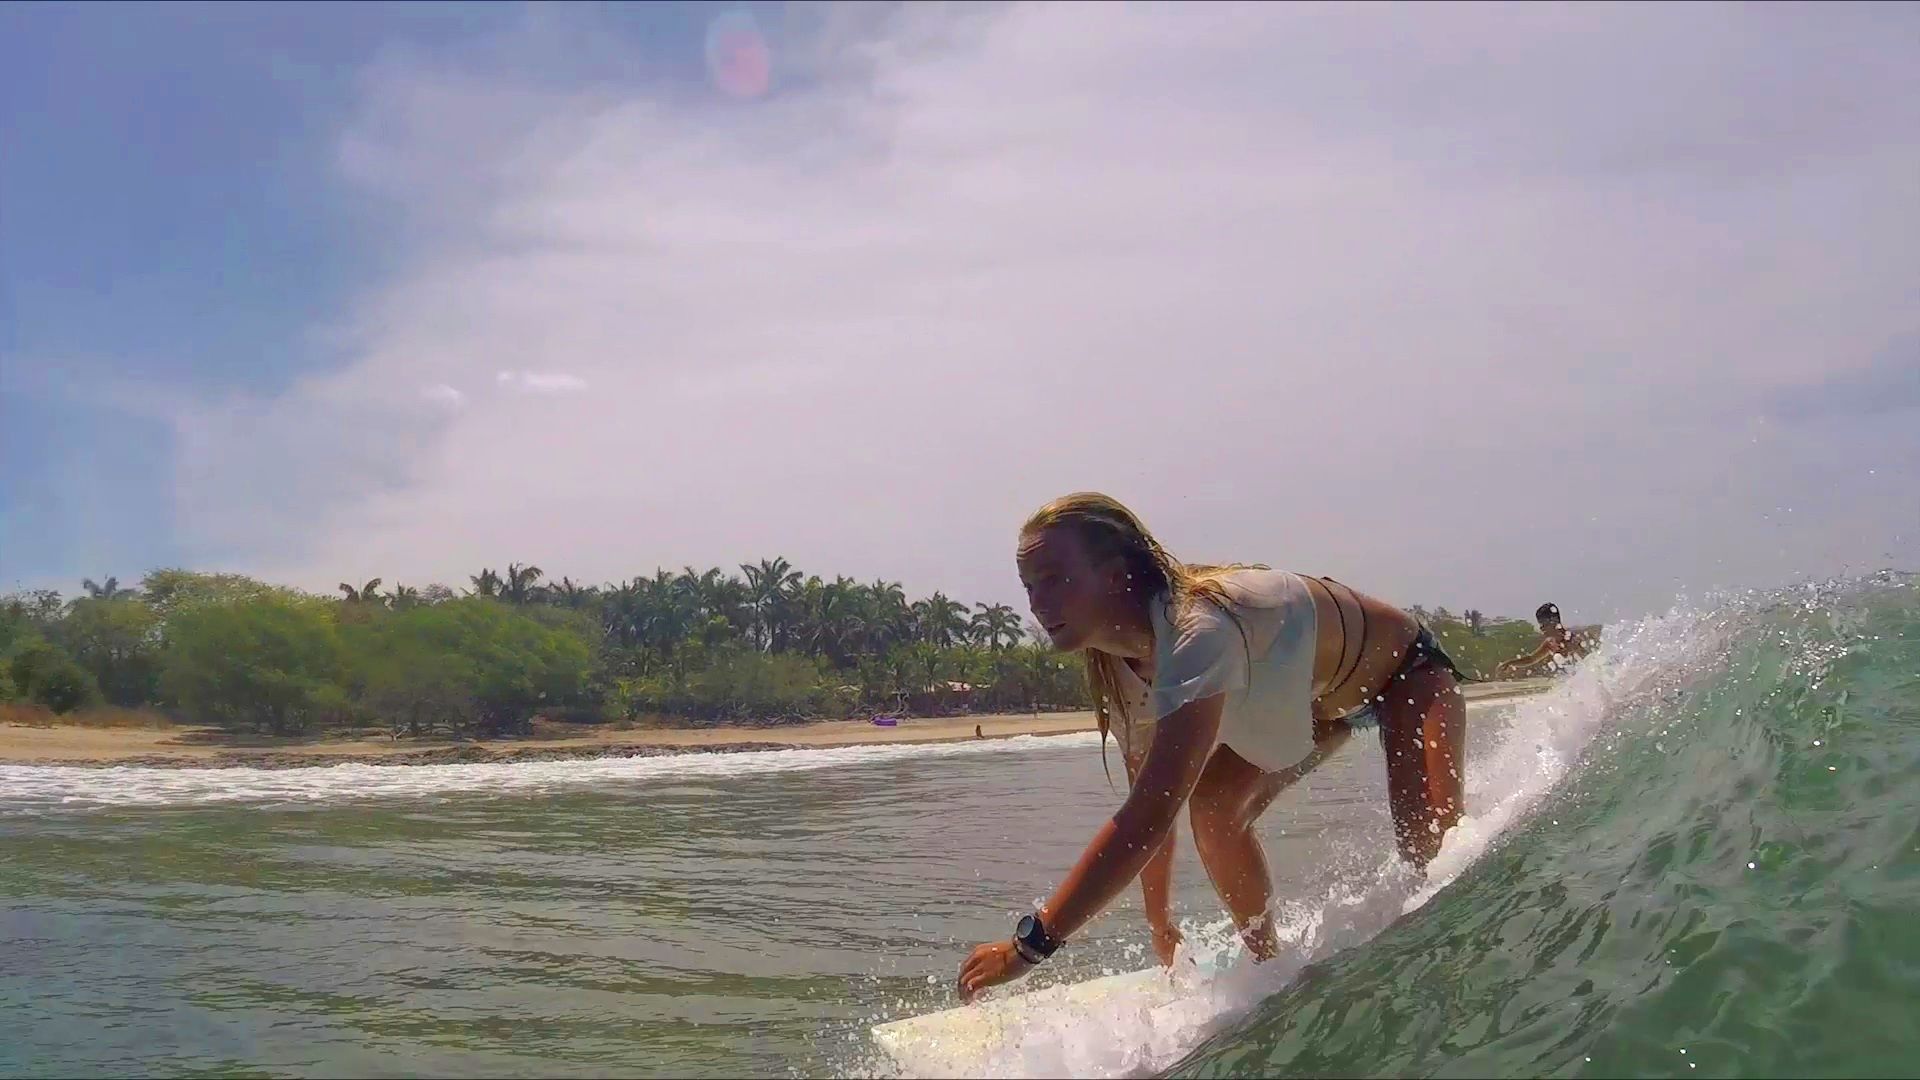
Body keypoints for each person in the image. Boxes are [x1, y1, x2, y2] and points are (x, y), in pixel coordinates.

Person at [957, 492, 1469, 1001]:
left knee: (1430, 860)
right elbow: (1147, 805)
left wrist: (1030, 946)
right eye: (1029, 586)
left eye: (1055, 580)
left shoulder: (1196, 632)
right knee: (1215, 806)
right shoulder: (1115, 663)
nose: (1038, 603)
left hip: (1405, 676)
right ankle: (1272, 967)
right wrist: (1162, 928)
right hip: (1315, 709)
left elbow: (1147, 816)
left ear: (1113, 576)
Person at [1494, 602, 1599, 678]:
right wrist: (1510, 663)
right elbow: (1531, 659)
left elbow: (1591, 664)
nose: (1541, 628)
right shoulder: (1550, 643)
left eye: (1543, 624)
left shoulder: (1573, 640)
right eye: (1540, 625)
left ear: (1554, 621)